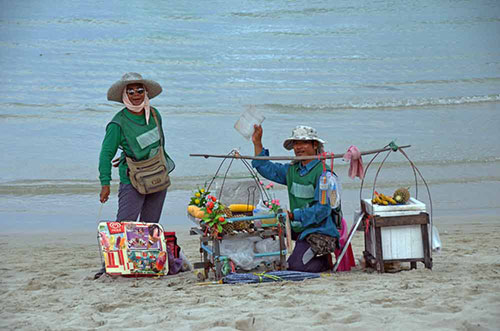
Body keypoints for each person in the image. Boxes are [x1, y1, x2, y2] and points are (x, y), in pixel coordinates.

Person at [95, 72, 175, 278]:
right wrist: (105, 182)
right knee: (125, 225)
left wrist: (138, 154)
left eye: (140, 90)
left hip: (157, 177)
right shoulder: (117, 123)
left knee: (150, 227)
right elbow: (106, 154)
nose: (136, 95)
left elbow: (157, 146)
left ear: (146, 92)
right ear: (124, 95)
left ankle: (144, 266)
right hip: (132, 179)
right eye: (130, 91)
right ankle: (112, 267)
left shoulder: (155, 114)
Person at [251, 125, 340, 273]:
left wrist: (293, 215)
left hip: (319, 230)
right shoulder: (292, 170)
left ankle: (324, 259)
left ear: (315, 145)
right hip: (298, 227)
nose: (299, 147)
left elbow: (323, 210)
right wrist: (257, 142)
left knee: (296, 267)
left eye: (304, 143)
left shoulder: (325, 175)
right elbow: (265, 167)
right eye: (296, 144)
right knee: (264, 227)